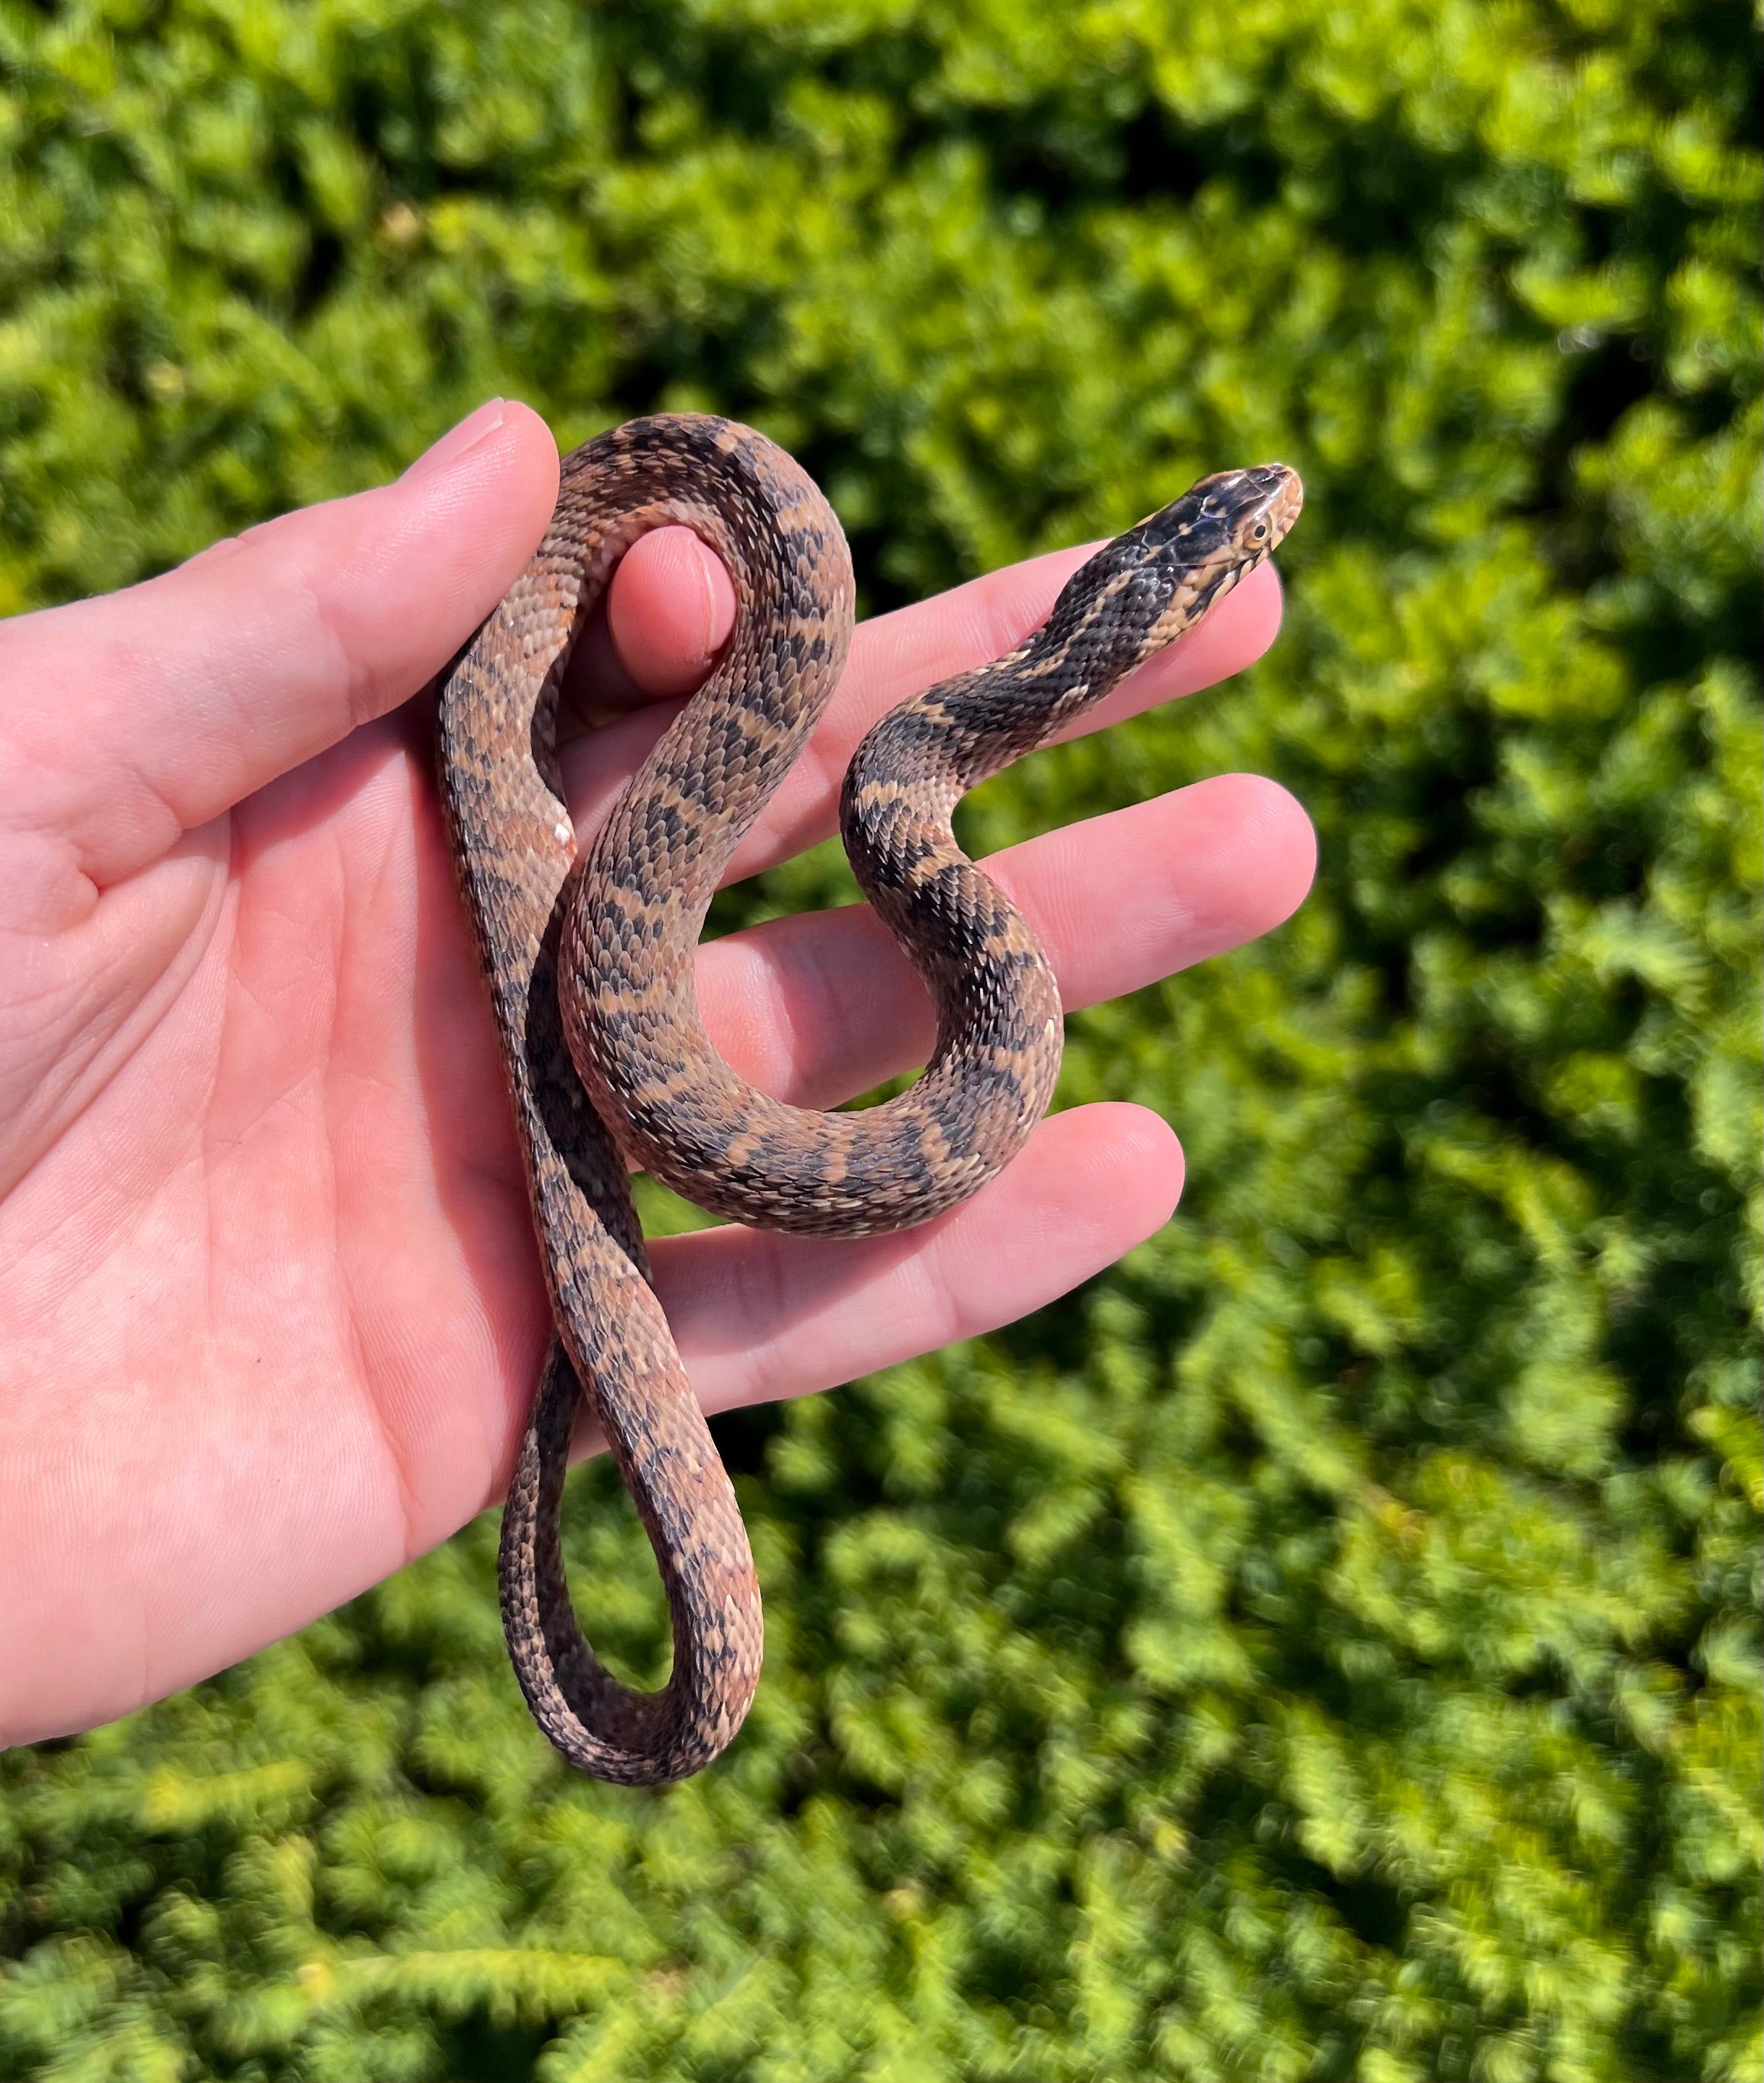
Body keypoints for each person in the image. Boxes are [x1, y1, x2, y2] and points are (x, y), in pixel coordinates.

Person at [0, 400, 1316, 1748]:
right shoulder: (827, 642)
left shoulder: (907, 772)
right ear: (1126, 603)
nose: (1261, 511)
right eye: (1224, 535)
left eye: (1228, 543)